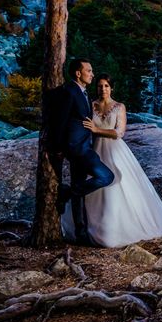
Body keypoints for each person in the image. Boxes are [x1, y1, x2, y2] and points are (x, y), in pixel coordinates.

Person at [61, 73, 162, 247]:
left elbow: (119, 132)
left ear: (111, 88)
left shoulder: (119, 107)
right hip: (94, 149)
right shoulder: (90, 105)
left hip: (115, 149)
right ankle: (91, 230)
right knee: (96, 188)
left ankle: (118, 230)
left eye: (106, 86)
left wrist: (96, 129)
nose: (103, 89)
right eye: (100, 86)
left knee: (119, 186)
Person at [51, 58, 115, 246]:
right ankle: (67, 193)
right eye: (89, 70)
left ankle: (81, 233)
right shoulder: (69, 91)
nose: (92, 74)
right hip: (77, 148)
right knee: (106, 176)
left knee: (79, 188)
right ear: (78, 73)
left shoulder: (82, 92)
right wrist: (59, 148)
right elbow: (60, 122)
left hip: (83, 146)